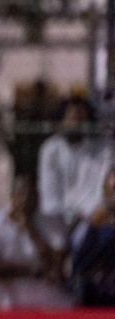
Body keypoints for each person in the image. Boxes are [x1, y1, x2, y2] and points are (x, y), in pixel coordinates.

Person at [0, 173, 72, 309]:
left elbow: (54, 263)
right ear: (13, 197)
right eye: (21, 194)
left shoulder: (50, 219)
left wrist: (29, 226)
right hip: (11, 301)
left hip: (48, 301)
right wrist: (28, 270)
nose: (25, 200)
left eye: (31, 196)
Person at [38, 95, 111, 228]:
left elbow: (99, 192)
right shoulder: (51, 149)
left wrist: (85, 218)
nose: (77, 122)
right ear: (62, 119)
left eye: (81, 117)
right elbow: (50, 199)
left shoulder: (101, 149)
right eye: (72, 117)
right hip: (58, 222)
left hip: (90, 221)